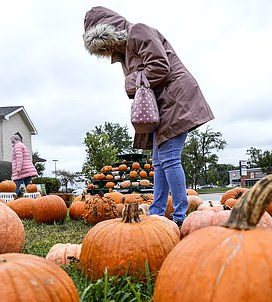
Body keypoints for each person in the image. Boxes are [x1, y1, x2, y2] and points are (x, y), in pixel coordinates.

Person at [83, 6, 214, 227]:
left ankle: (180, 217)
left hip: (176, 98)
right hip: (162, 104)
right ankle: (157, 214)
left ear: (110, 30)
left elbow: (160, 66)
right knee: (159, 162)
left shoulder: (138, 31)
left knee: (170, 157)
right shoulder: (123, 51)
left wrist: (130, 82)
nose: (108, 50)